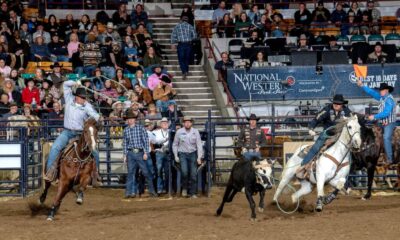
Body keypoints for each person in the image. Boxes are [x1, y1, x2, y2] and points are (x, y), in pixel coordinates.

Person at [44, 80, 101, 183]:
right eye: (83, 97)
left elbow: (95, 115)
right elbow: (65, 84)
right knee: (55, 147)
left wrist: (95, 118)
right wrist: (75, 83)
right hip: (67, 132)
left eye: (85, 98)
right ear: (77, 97)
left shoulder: (87, 105)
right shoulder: (69, 99)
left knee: (94, 151)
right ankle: (50, 172)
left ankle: (95, 174)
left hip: (80, 134)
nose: (84, 99)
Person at [301, 94, 352, 167]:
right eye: (335, 103)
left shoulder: (347, 112)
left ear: (342, 104)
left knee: (352, 150)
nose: (336, 105)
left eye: (338, 103)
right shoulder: (327, 109)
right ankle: (303, 165)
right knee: (316, 147)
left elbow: (353, 121)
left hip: (341, 135)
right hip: (327, 134)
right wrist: (311, 129)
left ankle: (352, 170)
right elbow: (316, 119)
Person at [357, 81, 397, 167]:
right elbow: (372, 92)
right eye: (380, 90)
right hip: (381, 123)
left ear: (386, 90)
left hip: (389, 123)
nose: (380, 92)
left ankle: (389, 159)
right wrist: (362, 86)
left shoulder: (389, 99)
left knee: (386, 138)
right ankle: (375, 155)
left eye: (381, 90)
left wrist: (374, 117)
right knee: (372, 134)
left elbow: (386, 112)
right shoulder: (382, 98)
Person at [122, 111, 158, 198]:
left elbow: (145, 141)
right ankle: (128, 193)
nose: (130, 121)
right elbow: (125, 143)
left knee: (146, 172)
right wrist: (125, 154)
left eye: (131, 119)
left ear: (134, 120)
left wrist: (145, 152)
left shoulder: (141, 128)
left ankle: (152, 191)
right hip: (130, 153)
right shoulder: (126, 130)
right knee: (130, 173)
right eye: (129, 119)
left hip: (140, 152)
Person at [173, 116, 203, 198]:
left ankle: (193, 192)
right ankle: (185, 188)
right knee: (184, 172)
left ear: (191, 123)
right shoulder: (179, 132)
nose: (187, 123)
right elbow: (175, 144)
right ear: (183, 123)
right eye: (186, 122)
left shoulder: (195, 132)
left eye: (189, 122)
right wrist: (176, 155)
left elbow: (199, 145)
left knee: (193, 174)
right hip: (182, 154)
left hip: (193, 153)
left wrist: (199, 157)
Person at [171, 16, 196, 80]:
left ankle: (184, 71)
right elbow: (195, 36)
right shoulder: (190, 26)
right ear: (188, 20)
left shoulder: (177, 26)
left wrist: (173, 43)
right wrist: (189, 38)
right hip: (188, 44)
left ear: (181, 20)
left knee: (181, 58)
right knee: (186, 58)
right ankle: (185, 71)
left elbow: (173, 35)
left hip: (181, 44)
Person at [152, 117, 170, 194]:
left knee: (167, 172)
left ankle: (167, 188)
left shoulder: (171, 132)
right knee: (159, 171)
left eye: (166, 123)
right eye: (163, 123)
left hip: (168, 153)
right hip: (159, 153)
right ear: (161, 124)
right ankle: (159, 188)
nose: (165, 124)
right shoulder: (156, 132)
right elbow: (152, 141)